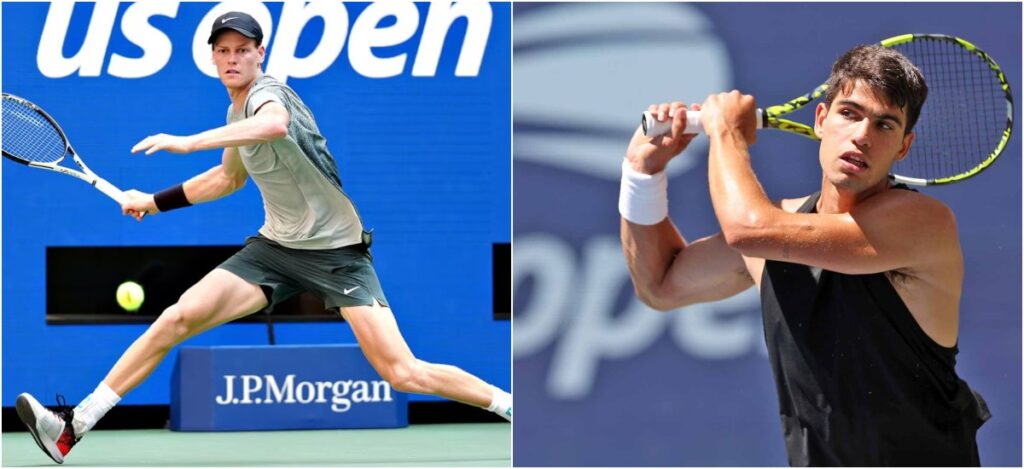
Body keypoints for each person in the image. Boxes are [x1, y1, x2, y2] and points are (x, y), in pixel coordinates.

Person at [16, 12, 511, 465]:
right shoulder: (236, 116)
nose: (232, 59)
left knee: (403, 373)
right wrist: (152, 200)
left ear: (260, 54)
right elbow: (227, 180)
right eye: (223, 51)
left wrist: (187, 141)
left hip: (337, 256)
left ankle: (516, 410)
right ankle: (74, 426)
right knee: (177, 317)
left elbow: (273, 125)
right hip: (274, 251)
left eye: (242, 50)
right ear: (212, 57)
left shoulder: (271, 95)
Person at [619, 45, 988, 466]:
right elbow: (660, 285)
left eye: (885, 124)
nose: (863, 135)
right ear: (820, 119)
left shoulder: (923, 224)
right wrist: (641, 174)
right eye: (849, 113)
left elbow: (748, 229)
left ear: (903, 147)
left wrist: (727, 134)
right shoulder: (781, 227)